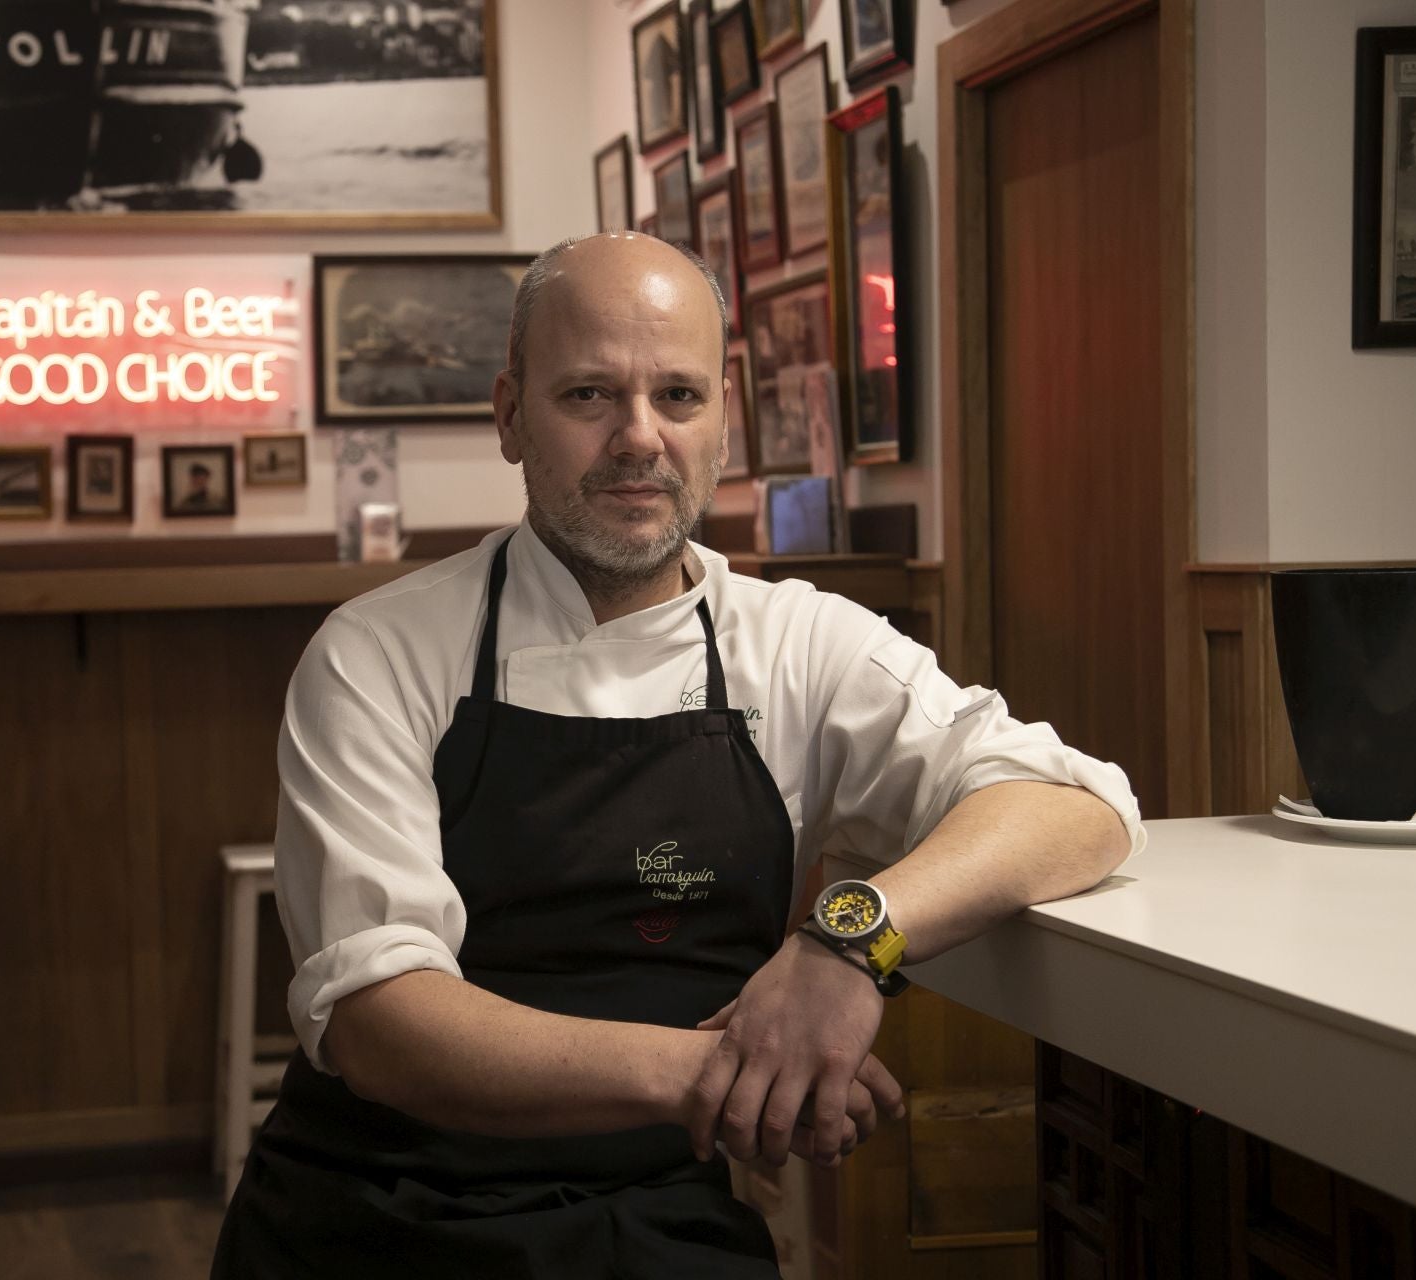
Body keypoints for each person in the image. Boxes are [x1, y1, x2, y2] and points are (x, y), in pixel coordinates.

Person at [211, 233, 1141, 1277]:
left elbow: (1076, 800)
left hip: (658, 1214)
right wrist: (739, 1070)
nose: (640, 438)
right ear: (511, 413)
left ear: (726, 418)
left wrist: (850, 942)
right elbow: (385, 1021)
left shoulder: (798, 643)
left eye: (681, 396)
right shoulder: (379, 651)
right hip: (373, 1211)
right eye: (590, 395)